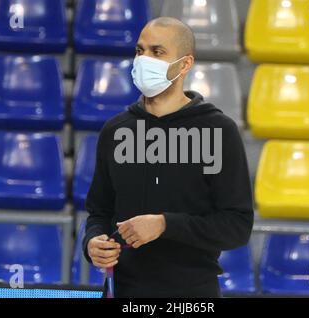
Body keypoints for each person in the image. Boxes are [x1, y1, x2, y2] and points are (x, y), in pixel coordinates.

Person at [83, 17, 254, 298]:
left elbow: (237, 225)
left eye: (157, 52)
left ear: (185, 64)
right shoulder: (116, 130)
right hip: (123, 291)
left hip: (192, 294)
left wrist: (165, 225)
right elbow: (99, 212)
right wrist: (93, 243)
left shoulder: (218, 130)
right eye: (140, 51)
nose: (144, 59)